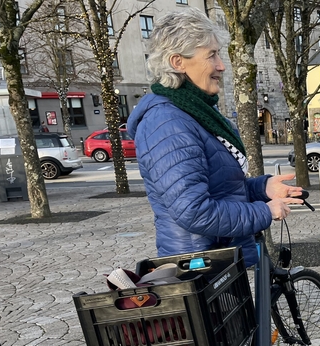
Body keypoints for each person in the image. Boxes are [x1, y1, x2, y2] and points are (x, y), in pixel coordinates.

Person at [127, 9, 301, 268]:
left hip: (220, 258)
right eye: (211, 55)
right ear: (178, 62)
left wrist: (262, 189)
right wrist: (264, 211)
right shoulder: (167, 122)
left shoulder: (195, 111)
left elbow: (219, 188)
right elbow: (194, 210)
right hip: (201, 267)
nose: (221, 65)